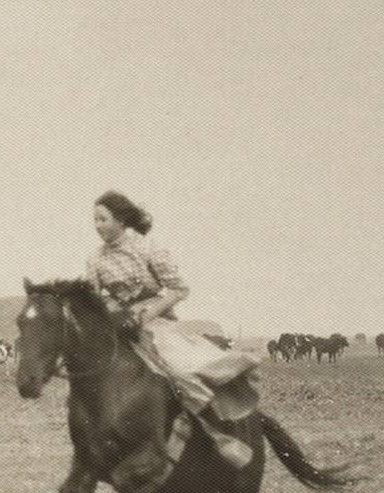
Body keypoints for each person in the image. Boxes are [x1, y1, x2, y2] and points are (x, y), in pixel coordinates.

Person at [85, 189, 260, 471]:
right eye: (94, 220)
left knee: (180, 373)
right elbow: (94, 299)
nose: (97, 226)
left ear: (121, 220)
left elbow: (179, 289)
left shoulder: (148, 247)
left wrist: (145, 315)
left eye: (102, 219)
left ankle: (212, 433)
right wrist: (111, 315)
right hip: (117, 326)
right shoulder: (94, 258)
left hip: (155, 322)